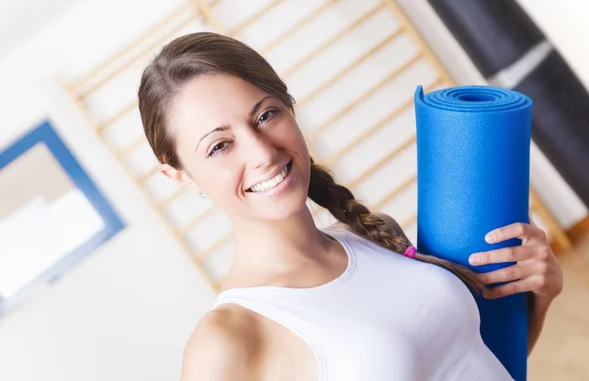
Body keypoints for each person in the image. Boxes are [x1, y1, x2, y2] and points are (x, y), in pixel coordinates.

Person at [137, 32, 563, 381]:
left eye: (266, 116)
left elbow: (475, 363)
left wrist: (541, 297)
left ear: (290, 107)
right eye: (220, 146)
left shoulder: (375, 237)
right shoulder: (227, 340)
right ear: (181, 176)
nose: (262, 153)